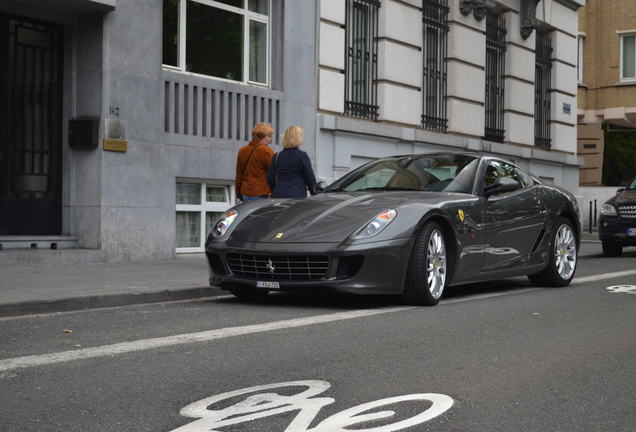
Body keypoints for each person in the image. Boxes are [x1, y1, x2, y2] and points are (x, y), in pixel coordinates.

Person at [267, 126, 317, 198]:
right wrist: (314, 194)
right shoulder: (302, 156)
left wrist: (275, 189)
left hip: (279, 195)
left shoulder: (277, 156)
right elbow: (310, 179)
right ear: (299, 138)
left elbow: (270, 178)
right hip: (297, 195)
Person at [235, 123, 275, 201]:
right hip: (261, 192)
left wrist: (238, 193)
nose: (270, 140)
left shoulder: (242, 150)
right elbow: (274, 172)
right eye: (268, 136)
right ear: (261, 136)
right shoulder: (266, 151)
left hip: (245, 192)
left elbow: (239, 175)